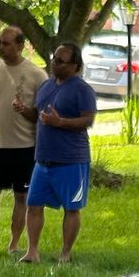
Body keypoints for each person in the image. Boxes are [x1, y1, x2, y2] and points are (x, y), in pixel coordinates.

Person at [0, 24, 45, 256]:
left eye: (6, 43)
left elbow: (41, 116)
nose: (0, 48)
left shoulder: (36, 75)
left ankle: (14, 244)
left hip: (25, 149)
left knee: (21, 197)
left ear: (21, 46)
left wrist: (25, 111)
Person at [24, 43, 98, 264]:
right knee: (34, 204)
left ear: (74, 65)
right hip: (43, 158)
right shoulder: (46, 86)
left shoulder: (82, 90)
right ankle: (32, 252)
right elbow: (38, 116)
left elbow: (88, 120)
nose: (54, 63)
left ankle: (65, 253)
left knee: (71, 208)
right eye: (54, 58)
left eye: (60, 61)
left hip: (71, 160)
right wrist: (23, 110)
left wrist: (60, 122)